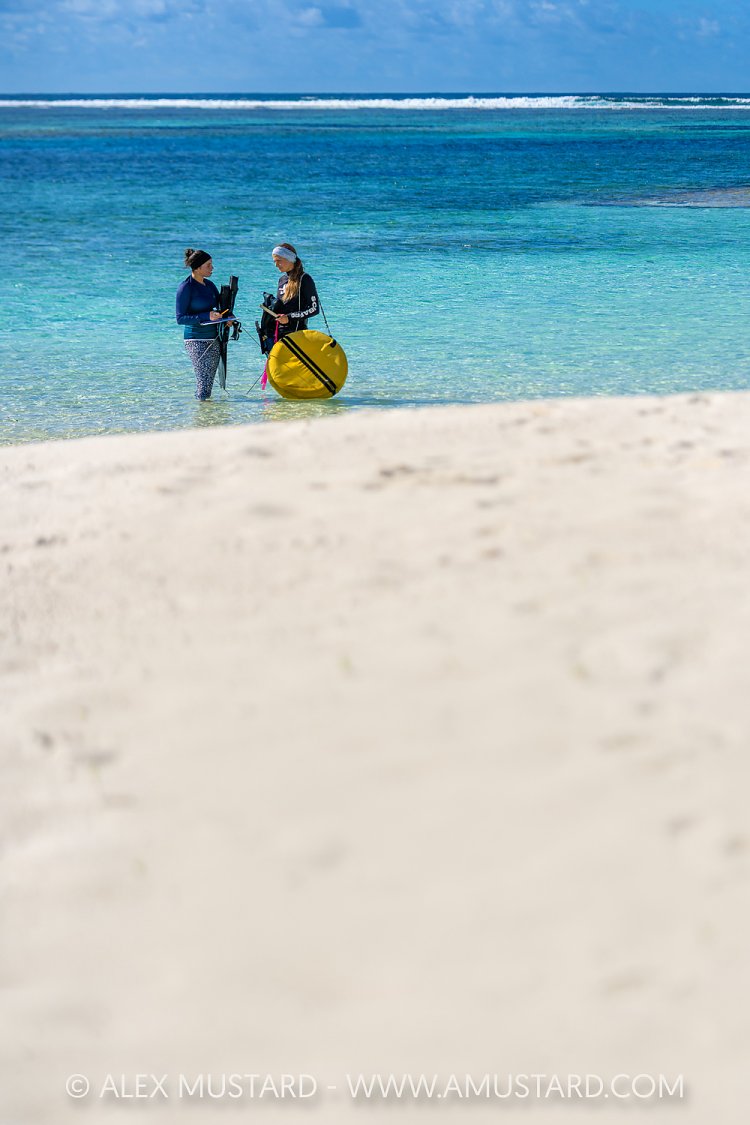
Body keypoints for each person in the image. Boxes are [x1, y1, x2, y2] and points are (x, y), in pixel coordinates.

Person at [175, 248, 227, 400]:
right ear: (197, 268)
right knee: (203, 380)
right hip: (195, 339)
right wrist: (206, 315)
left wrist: (227, 318)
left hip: (214, 338)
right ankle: (203, 417)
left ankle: (206, 415)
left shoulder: (210, 285)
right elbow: (180, 318)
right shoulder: (186, 287)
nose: (212, 268)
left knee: (209, 381)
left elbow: (220, 309)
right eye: (208, 265)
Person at [261, 243, 319, 354]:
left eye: (279, 260)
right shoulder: (282, 279)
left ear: (289, 259)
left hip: (297, 336)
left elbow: (314, 308)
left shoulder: (305, 279)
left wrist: (289, 317)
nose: (276, 265)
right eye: (274, 261)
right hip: (278, 335)